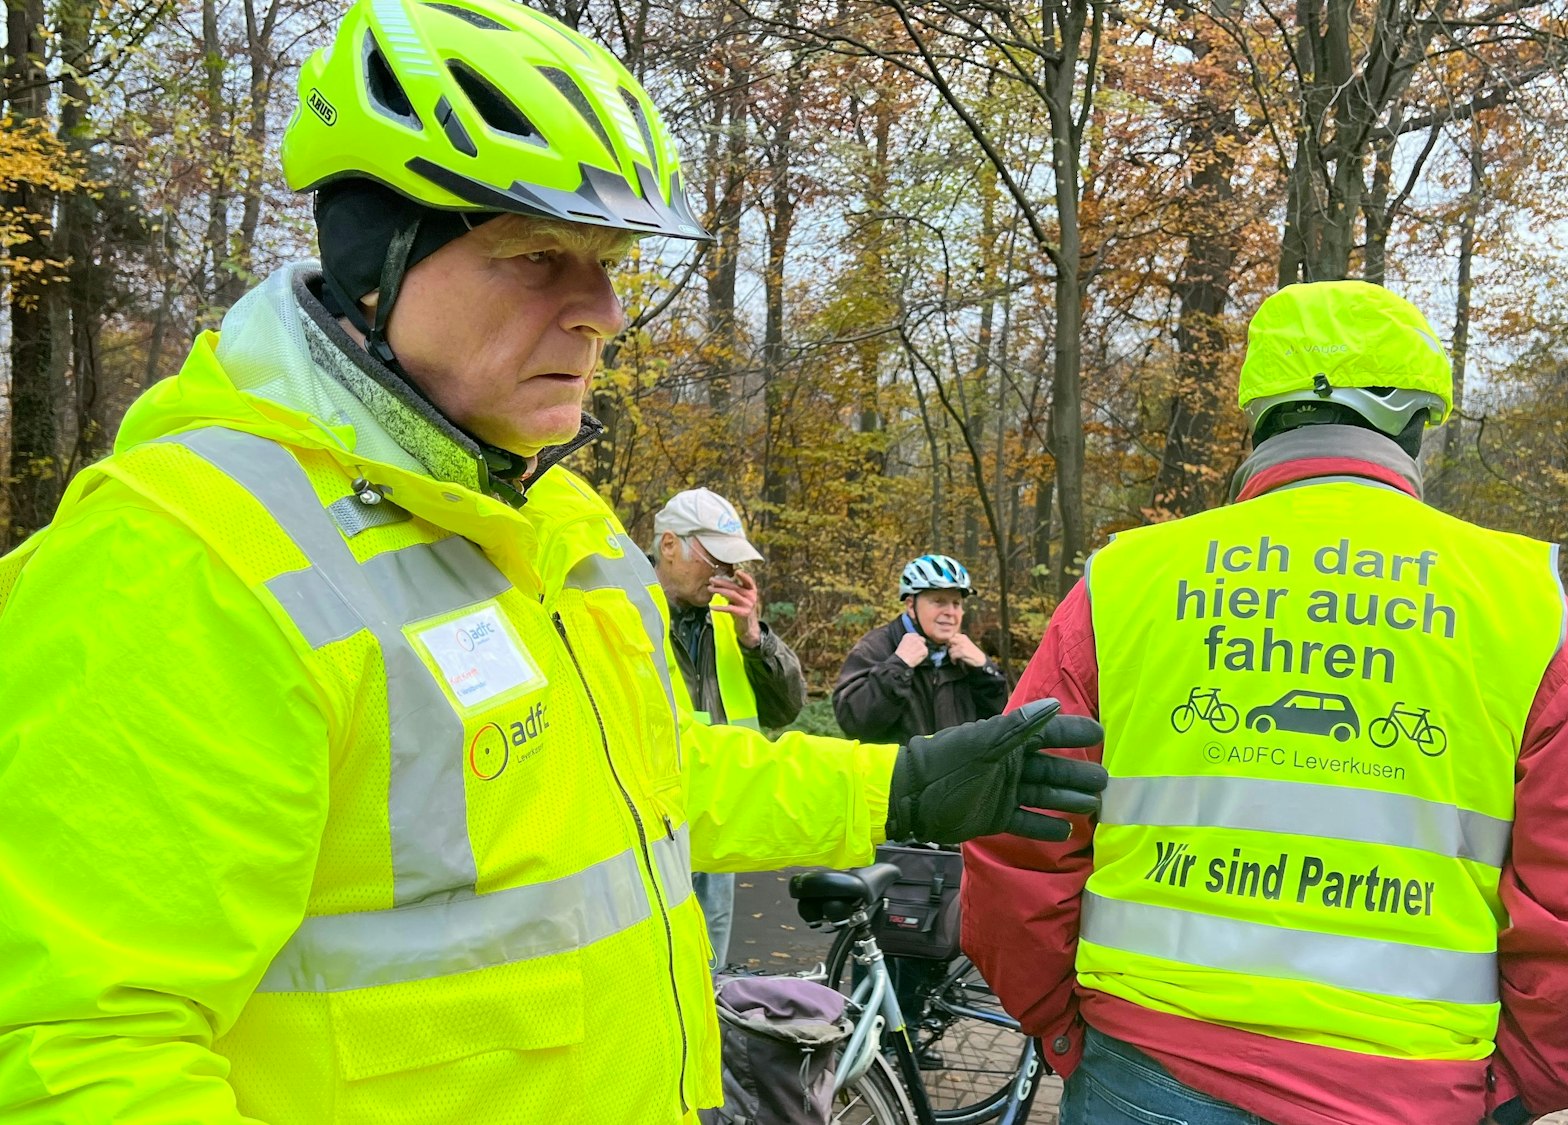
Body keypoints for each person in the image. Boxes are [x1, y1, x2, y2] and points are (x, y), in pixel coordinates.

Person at [0, 2, 1109, 1121]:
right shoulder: (182, 558)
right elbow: (80, 1054)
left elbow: (650, 780)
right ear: (372, 258)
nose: (602, 312)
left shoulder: (554, 519)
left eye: (609, 262)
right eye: (538, 258)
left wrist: (900, 785)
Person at [961, 281, 1568, 1125]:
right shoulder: (1524, 607)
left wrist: (1063, 1028)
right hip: (1406, 1092)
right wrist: (1516, 1089)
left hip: (1148, 1070)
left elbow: (1018, 835)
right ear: (1417, 424)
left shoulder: (1125, 585)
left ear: (1259, 416)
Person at [652, 487, 808, 967]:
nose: (724, 574)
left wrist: (755, 640)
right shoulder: (622, 609)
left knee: (710, 966)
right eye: (714, 560)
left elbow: (785, 711)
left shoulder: (730, 620)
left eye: (730, 563)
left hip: (716, 820)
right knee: (657, 959)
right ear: (669, 545)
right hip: (652, 825)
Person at [833, 554, 1009, 744]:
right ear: (910, 606)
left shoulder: (966, 654)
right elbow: (853, 723)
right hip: (899, 772)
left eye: (956, 603)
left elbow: (998, 724)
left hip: (957, 773)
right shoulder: (876, 647)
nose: (950, 612)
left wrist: (986, 671)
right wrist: (898, 666)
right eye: (939, 601)